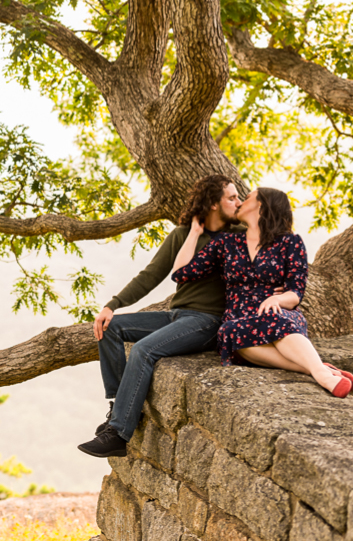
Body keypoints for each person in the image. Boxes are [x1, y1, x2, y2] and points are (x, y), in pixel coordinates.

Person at [77, 175, 243, 459]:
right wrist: (112, 305)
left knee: (144, 350)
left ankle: (118, 433)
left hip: (209, 322)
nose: (238, 202)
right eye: (232, 197)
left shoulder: (240, 237)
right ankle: (120, 407)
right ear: (214, 204)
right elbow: (152, 275)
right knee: (111, 328)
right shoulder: (182, 235)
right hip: (177, 314)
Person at [170, 187, 353, 397]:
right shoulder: (226, 243)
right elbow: (180, 274)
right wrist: (194, 232)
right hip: (240, 318)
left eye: (246, 198)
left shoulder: (290, 242)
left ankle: (322, 373)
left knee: (275, 319)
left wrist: (278, 299)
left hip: (279, 312)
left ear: (262, 205)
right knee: (231, 332)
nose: (239, 203)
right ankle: (316, 368)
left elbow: (296, 292)